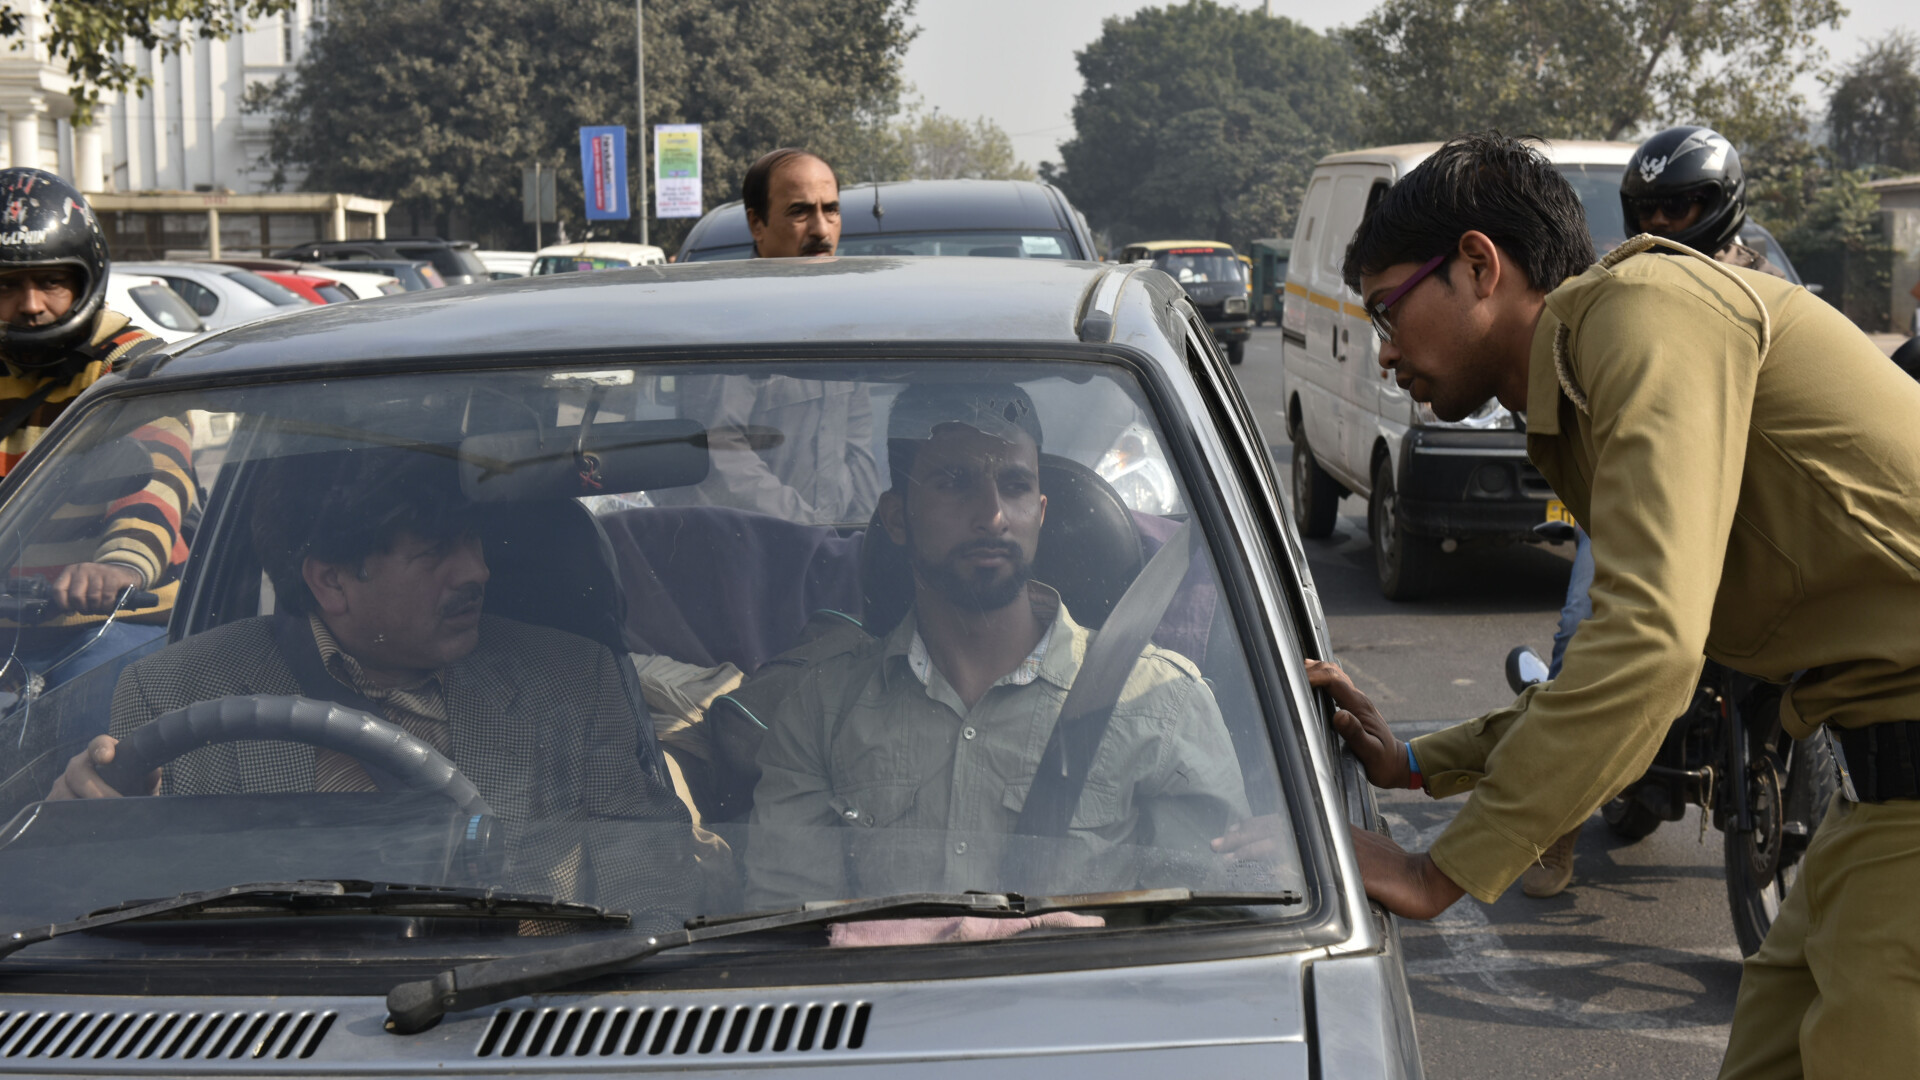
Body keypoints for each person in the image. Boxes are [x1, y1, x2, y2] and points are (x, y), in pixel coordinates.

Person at [1332, 132, 1920, 1078]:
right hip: (1872, 794)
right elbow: (1624, 658)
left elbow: (1649, 649)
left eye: (1388, 311)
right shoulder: (1582, 384)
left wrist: (1434, 870)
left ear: (1479, 266)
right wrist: (1413, 764)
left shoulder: (1643, 313)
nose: (1387, 352)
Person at [48, 447, 698, 931]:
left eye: (471, 539)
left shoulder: (569, 678)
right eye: (436, 552)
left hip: (520, 1012)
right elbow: (139, 921)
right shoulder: (175, 692)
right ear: (330, 582)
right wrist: (80, 838)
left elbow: (648, 879)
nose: (478, 570)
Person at [745, 382, 1247, 913]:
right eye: (954, 482)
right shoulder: (822, 712)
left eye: (1015, 486)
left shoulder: (1161, 704)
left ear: (1042, 511)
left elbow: (1207, 929)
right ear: (896, 517)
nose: (993, 515)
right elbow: (785, 930)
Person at [1514, 123, 1794, 899]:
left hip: (1752, 492)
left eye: (1686, 206)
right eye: (1654, 211)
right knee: (1584, 629)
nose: (1668, 225)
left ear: (1721, 204)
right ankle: (1555, 819)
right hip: (1656, 492)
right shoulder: (1623, 285)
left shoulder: (1769, 280)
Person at [0, 168, 190, 695]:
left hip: (114, 623)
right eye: (8, 286)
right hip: (7, 634)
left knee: (100, 735)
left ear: (86, 281)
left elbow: (159, 474)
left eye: (52, 282)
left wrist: (119, 568)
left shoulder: (131, 366)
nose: (32, 305)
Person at [648, 149, 878, 525]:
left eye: (831, 210)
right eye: (800, 212)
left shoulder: (843, 325)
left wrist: (866, 539)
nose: (821, 230)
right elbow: (723, 457)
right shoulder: (731, 329)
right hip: (754, 554)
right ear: (757, 225)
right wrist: (813, 533)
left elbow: (858, 448)